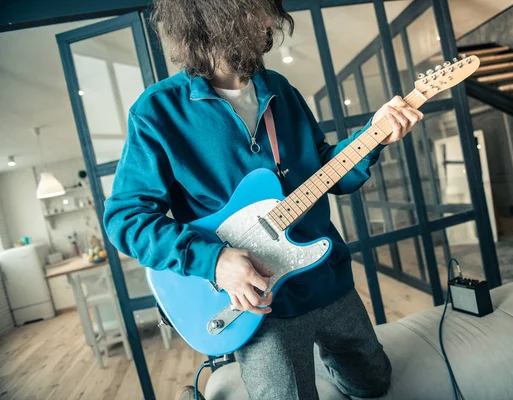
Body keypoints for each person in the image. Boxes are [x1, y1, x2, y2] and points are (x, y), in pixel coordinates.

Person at [103, 0, 423, 398]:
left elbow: (322, 170)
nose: (269, 21)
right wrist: (214, 262)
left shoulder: (281, 90)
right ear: (214, 19)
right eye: (255, 10)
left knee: (374, 384)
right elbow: (126, 218)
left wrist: (373, 137)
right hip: (257, 305)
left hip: (326, 279)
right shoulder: (158, 111)